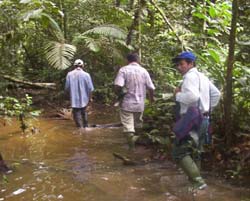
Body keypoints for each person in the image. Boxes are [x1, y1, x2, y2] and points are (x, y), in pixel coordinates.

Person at [172, 51, 221, 190]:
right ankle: (194, 185)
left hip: (191, 121)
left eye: (181, 64)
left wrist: (178, 95)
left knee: (179, 152)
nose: (179, 67)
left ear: (190, 64)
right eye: (178, 64)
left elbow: (192, 97)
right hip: (204, 118)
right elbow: (216, 94)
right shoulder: (202, 76)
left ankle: (198, 183)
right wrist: (206, 108)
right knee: (196, 152)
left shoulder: (189, 77)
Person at [114, 53, 155, 149]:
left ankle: (132, 147)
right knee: (138, 123)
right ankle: (138, 144)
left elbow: (118, 85)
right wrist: (151, 99)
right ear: (138, 60)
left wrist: (118, 95)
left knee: (128, 126)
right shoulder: (144, 71)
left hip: (127, 103)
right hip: (140, 103)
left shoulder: (123, 70)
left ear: (127, 60)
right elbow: (151, 88)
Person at [65, 59, 94, 130]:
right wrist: (90, 98)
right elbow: (90, 88)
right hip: (85, 99)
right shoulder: (87, 75)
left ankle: (80, 128)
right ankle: (86, 127)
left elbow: (67, 88)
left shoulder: (69, 74)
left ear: (74, 66)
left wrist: (69, 96)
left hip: (74, 99)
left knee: (76, 113)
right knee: (84, 112)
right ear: (82, 66)